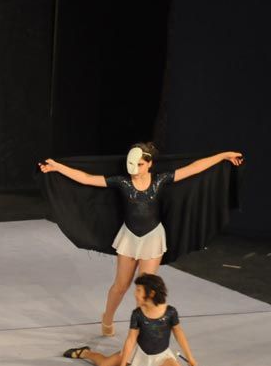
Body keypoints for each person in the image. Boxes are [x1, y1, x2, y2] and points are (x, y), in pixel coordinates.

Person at [39, 143, 243, 336]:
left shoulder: (160, 180)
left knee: (145, 288)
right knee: (121, 286)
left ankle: (140, 330)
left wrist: (223, 156)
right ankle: (107, 318)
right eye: (132, 164)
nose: (135, 169)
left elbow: (194, 168)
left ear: (149, 164)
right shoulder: (122, 182)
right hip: (129, 238)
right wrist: (57, 167)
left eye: (140, 164)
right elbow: (86, 178)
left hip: (152, 238)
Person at [63, 273, 201, 366]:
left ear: (151, 293)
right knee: (104, 364)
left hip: (161, 356)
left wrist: (190, 358)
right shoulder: (138, 314)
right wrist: (122, 365)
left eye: (139, 290)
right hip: (137, 353)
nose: (135, 293)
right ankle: (86, 353)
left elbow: (179, 334)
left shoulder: (170, 312)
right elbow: (131, 340)